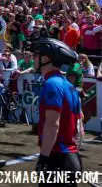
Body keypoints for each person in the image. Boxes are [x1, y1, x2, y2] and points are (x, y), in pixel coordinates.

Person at [32, 38, 84, 183]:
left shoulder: (51, 84)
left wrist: (43, 158)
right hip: (71, 157)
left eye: (36, 55)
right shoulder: (68, 85)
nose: (33, 58)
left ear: (45, 58)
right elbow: (80, 128)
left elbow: (52, 125)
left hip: (57, 158)